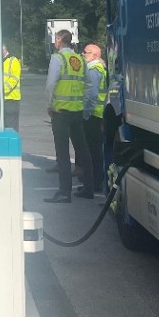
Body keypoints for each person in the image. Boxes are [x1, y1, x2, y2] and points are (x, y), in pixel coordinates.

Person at [44, 29, 92, 203]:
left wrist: (50, 105)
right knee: (83, 149)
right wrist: (83, 104)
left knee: (62, 153)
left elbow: (51, 84)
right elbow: (88, 84)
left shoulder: (58, 58)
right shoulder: (79, 58)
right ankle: (89, 187)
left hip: (61, 112)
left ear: (59, 40)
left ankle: (64, 192)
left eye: (55, 39)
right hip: (77, 112)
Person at [77, 42, 108, 198]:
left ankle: (92, 184)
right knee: (93, 152)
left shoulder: (94, 70)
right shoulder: (94, 69)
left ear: (95, 55)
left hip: (93, 116)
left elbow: (92, 95)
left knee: (91, 153)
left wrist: (85, 114)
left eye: (86, 52)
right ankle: (92, 183)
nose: (83, 54)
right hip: (96, 116)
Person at [1, 43, 22, 131]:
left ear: (4, 49)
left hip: (11, 100)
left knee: (11, 130)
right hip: (0, 101)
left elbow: (13, 80)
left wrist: (0, 91)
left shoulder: (13, 61)